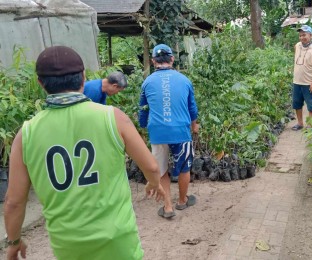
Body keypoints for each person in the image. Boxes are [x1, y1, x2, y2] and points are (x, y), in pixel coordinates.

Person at [4, 46, 165, 260]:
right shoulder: (113, 118)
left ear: (41, 83)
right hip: (117, 239)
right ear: (83, 77)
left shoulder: (26, 135)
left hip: (68, 245)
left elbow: (14, 202)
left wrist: (14, 242)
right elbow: (152, 167)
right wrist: (154, 183)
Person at [139, 44, 199, 219]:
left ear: (153, 61)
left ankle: (167, 207)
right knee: (184, 167)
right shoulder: (184, 80)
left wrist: (143, 126)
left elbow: (143, 108)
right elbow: (192, 108)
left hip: (158, 133)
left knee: (162, 169)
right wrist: (194, 125)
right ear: (172, 59)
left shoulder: (147, 82)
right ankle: (182, 201)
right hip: (180, 131)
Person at [291, 24, 312, 130]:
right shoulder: (297, 46)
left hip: (309, 82)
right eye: (300, 35)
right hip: (297, 81)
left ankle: (311, 124)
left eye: (304, 35)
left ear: (310, 35)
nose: (301, 37)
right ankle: (300, 123)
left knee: (311, 106)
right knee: (297, 104)